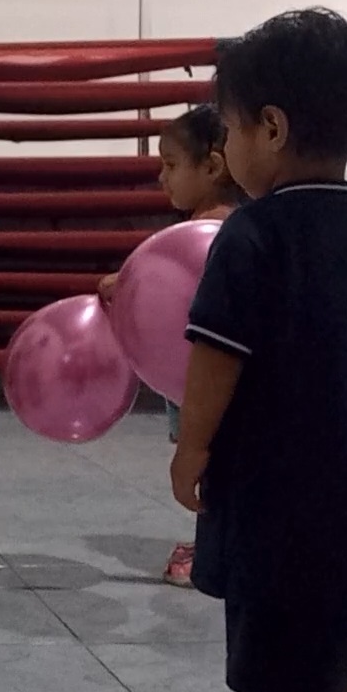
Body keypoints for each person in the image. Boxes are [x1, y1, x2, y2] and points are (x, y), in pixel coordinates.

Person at [168, 9, 347, 692]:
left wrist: (192, 447)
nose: (228, 150)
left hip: (280, 485)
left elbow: (217, 357)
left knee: (283, 625)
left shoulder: (252, 235)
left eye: (231, 129)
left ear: (270, 129)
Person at [99, 103, 239, 587]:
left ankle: (217, 544)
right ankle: (216, 539)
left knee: (215, 460)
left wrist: (127, 286)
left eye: (171, 164)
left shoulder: (219, 230)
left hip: (206, 378)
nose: (162, 177)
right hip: (188, 375)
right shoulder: (203, 228)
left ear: (212, 167)